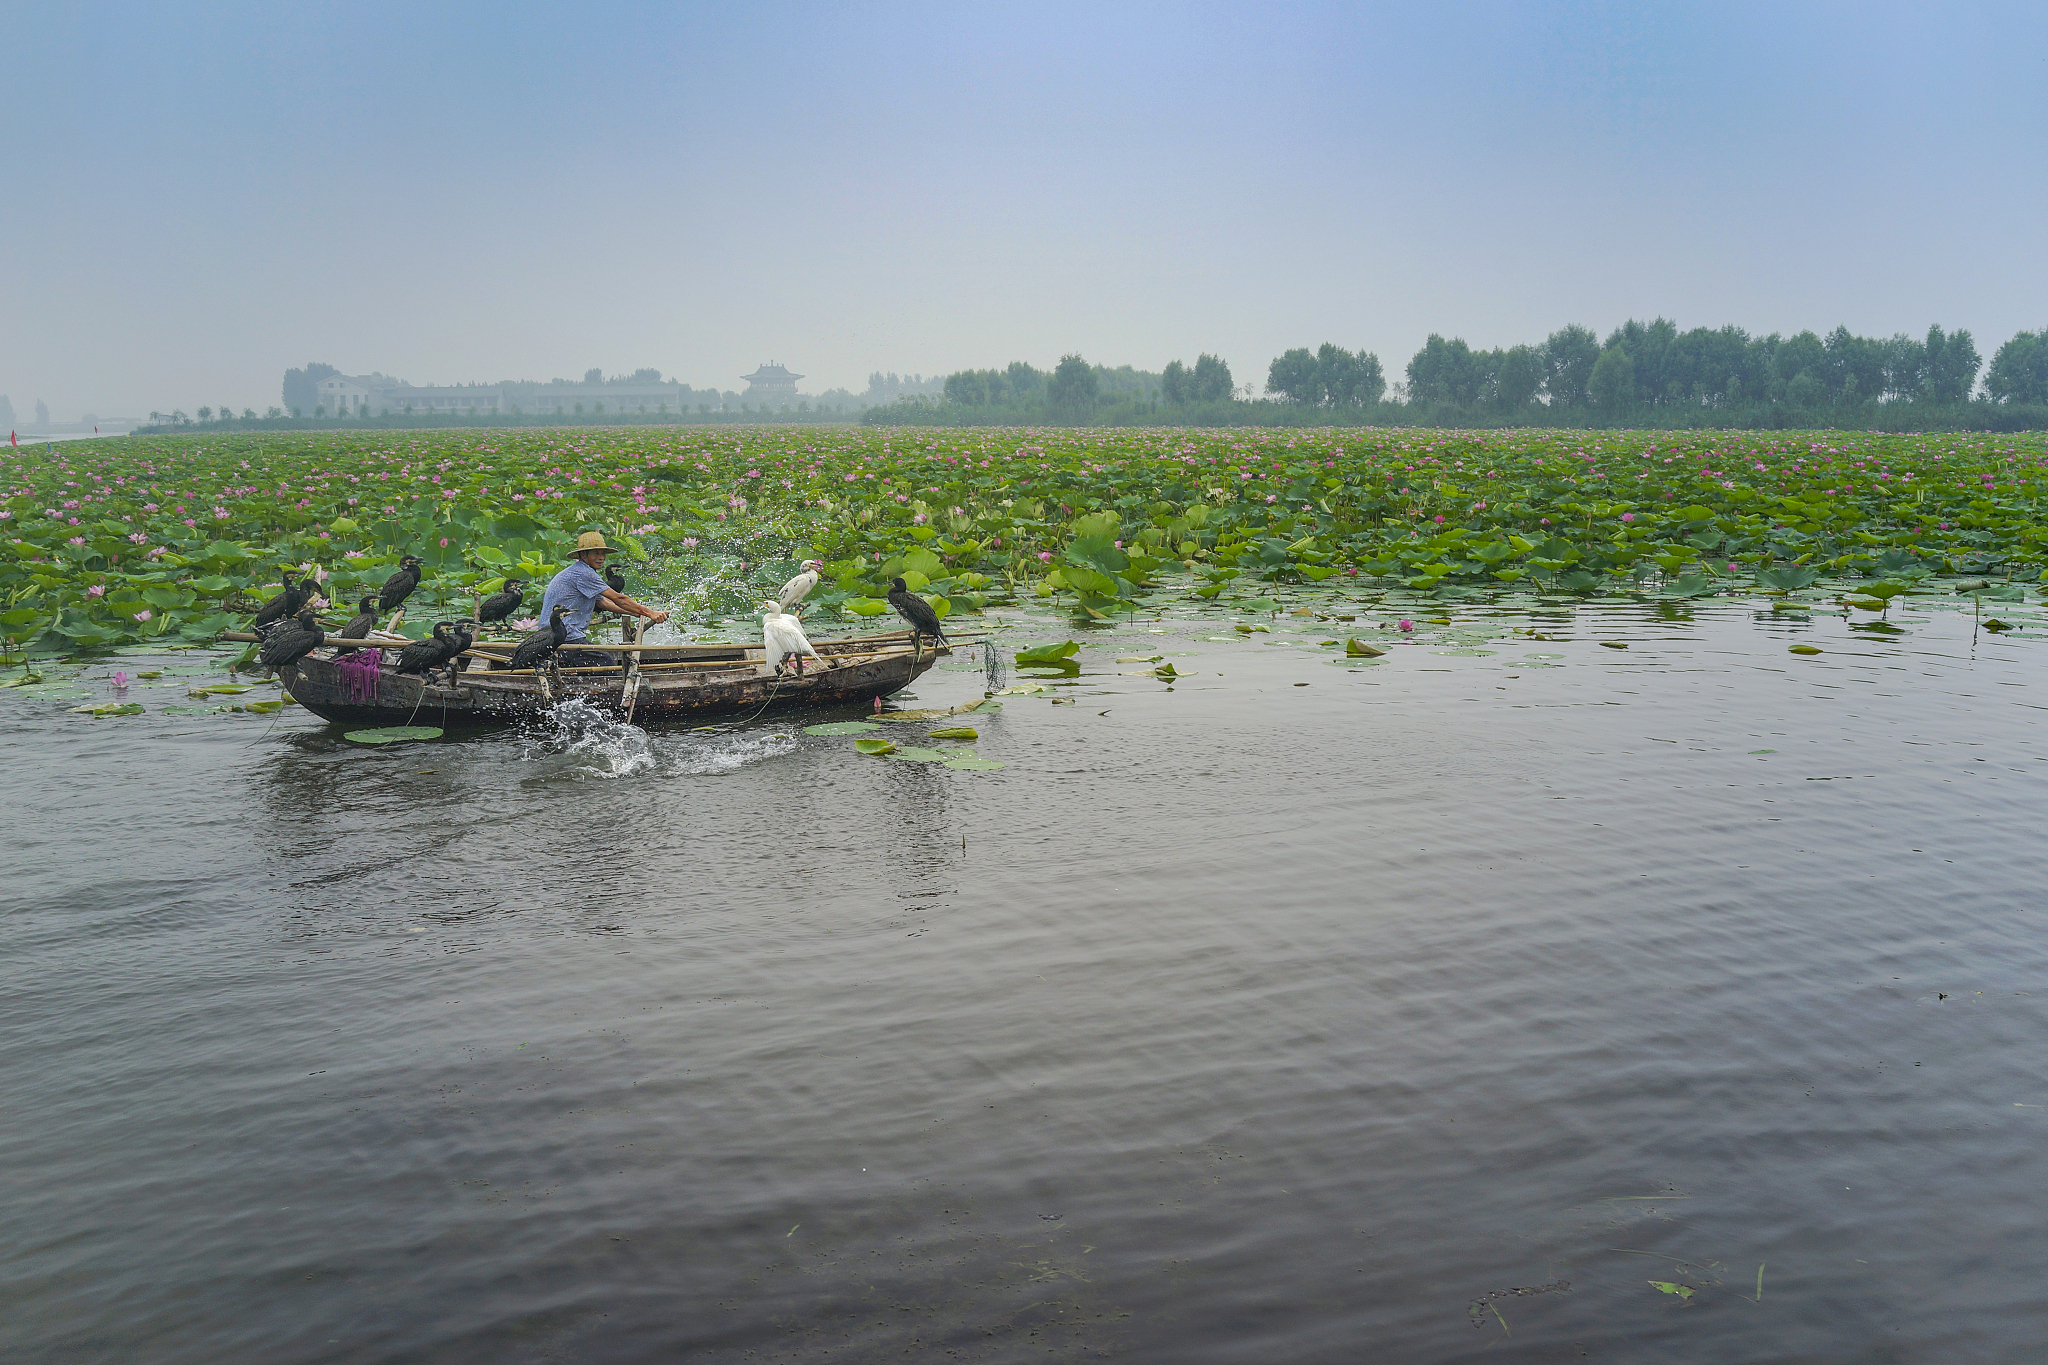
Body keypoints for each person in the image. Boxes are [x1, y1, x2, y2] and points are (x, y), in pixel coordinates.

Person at [538, 532, 669, 667]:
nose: (601, 558)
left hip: (550, 637)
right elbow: (618, 597)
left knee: (600, 660)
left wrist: (635, 612)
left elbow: (602, 602)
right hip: (564, 638)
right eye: (596, 553)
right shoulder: (584, 573)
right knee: (605, 661)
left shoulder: (581, 571)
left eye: (603, 554)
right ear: (583, 555)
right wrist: (650, 613)